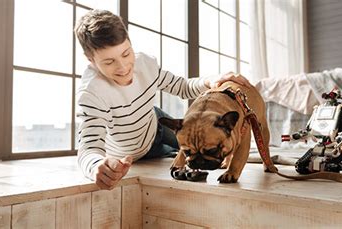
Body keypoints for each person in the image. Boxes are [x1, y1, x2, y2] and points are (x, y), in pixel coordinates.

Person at [74, 9, 250, 190]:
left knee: (207, 143)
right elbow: (88, 148)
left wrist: (211, 80)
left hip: (155, 124)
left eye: (126, 54)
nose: (123, 67)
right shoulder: (91, 93)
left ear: (130, 43)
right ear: (91, 60)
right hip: (132, 152)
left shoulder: (145, 64)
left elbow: (182, 87)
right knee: (184, 157)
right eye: (109, 62)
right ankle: (172, 153)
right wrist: (96, 166)